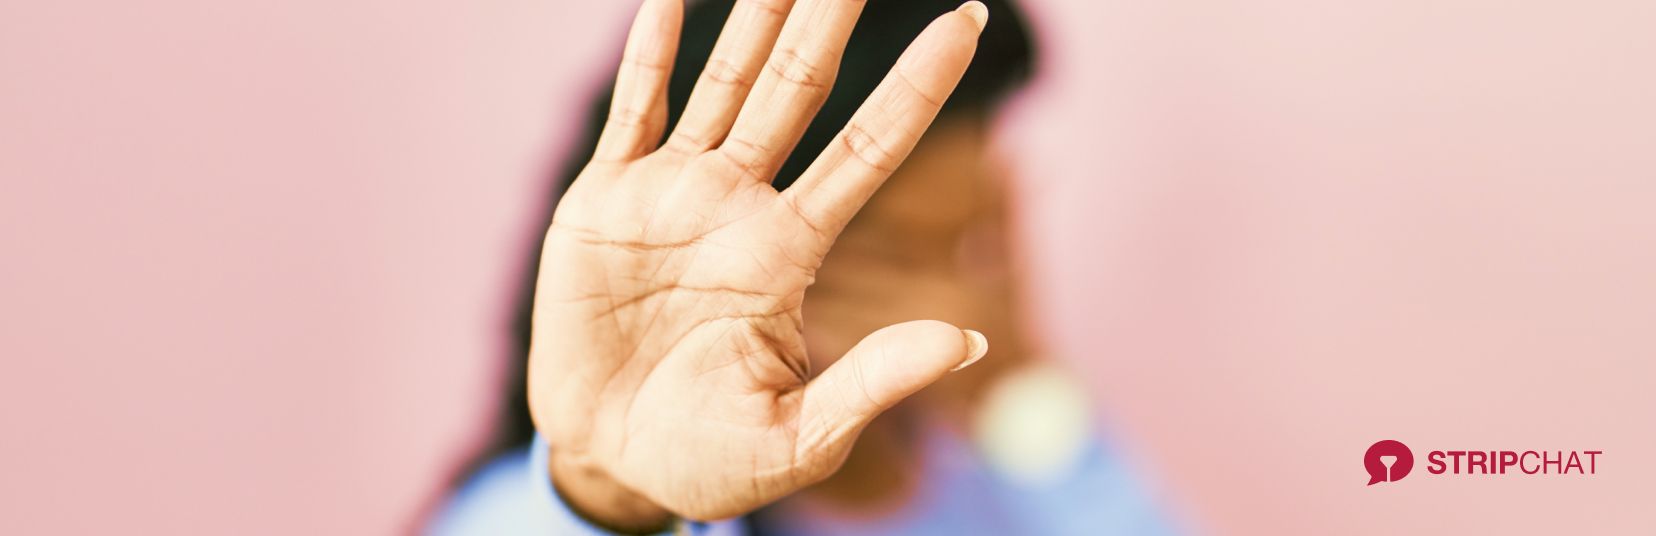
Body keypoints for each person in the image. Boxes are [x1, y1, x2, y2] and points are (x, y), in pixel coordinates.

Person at [430, 0, 1174, 533]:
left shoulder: (984, 483)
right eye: (900, 257)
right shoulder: (519, 515)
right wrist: (613, 494)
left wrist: (1026, 396)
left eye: (974, 243)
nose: (954, 304)